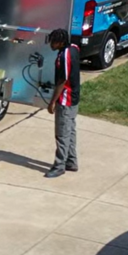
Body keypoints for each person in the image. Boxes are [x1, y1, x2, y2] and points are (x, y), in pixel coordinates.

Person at [46, 28, 79, 178]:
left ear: (60, 42)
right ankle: (71, 161)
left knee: (62, 134)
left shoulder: (63, 56)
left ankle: (59, 166)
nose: (50, 44)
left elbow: (62, 80)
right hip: (75, 97)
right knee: (70, 130)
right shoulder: (74, 48)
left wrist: (52, 102)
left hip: (65, 99)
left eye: (53, 41)